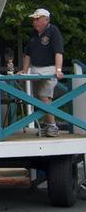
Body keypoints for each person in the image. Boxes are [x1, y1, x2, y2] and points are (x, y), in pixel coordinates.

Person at [19, 8, 64, 138]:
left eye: (37, 19)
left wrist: (58, 70)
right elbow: (27, 54)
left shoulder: (53, 31)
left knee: (44, 95)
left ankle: (52, 126)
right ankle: (47, 125)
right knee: (39, 97)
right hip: (35, 68)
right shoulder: (34, 34)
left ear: (46, 19)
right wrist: (25, 70)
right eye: (34, 19)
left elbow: (58, 52)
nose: (35, 21)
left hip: (50, 68)